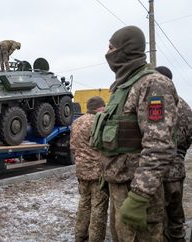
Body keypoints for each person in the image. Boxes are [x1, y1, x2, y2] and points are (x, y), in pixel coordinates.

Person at [90, 26, 179, 241]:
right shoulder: (122, 88)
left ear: (125, 50)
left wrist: (139, 196)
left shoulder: (152, 84)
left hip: (138, 194)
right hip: (120, 190)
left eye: (111, 48)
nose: (107, 53)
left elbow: (159, 147)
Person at [156, 65, 192, 242]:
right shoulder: (184, 105)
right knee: (176, 217)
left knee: (158, 218)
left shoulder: (156, 102)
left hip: (157, 168)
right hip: (178, 168)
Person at [70, 96, 109, 242]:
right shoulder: (100, 121)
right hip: (98, 173)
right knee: (98, 207)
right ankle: (95, 239)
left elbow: (73, 147)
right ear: (100, 107)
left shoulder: (77, 122)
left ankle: (80, 236)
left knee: (84, 204)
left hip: (82, 171)